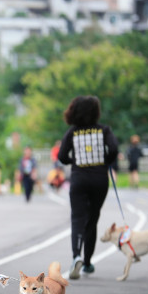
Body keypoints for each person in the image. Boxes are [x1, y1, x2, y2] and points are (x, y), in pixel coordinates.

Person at [58, 96, 118, 280]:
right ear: (95, 111)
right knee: (92, 219)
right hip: (99, 180)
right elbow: (114, 149)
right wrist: (105, 162)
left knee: (77, 218)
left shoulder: (72, 132)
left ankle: (76, 255)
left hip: (79, 179)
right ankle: (88, 262)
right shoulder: (104, 130)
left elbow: (61, 155)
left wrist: (73, 161)